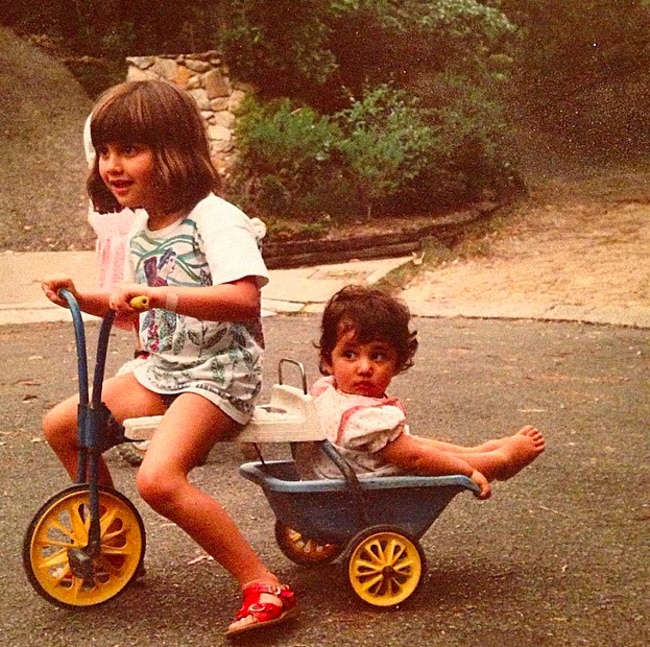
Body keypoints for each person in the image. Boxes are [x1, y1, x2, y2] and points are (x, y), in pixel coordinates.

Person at [41, 79, 296, 637]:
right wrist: (79, 296)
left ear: (175, 152)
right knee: (63, 425)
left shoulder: (215, 218)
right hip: (166, 366)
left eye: (129, 150)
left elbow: (243, 298)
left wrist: (162, 295)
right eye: (106, 151)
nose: (112, 165)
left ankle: (264, 583)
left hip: (220, 372)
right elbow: (138, 315)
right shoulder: (141, 226)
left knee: (159, 479)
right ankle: (108, 544)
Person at [295, 285, 545, 498]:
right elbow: (416, 459)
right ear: (329, 360)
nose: (364, 368)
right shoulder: (364, 420)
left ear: (397, 363)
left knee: (409, 441)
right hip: (364, 485)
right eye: (349, 354)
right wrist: (466, 472)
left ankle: (477, 451)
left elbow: (410, 447)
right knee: (417, 451)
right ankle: (500, 463)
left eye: (378, 356)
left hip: (331, 472)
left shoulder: (327, 390)